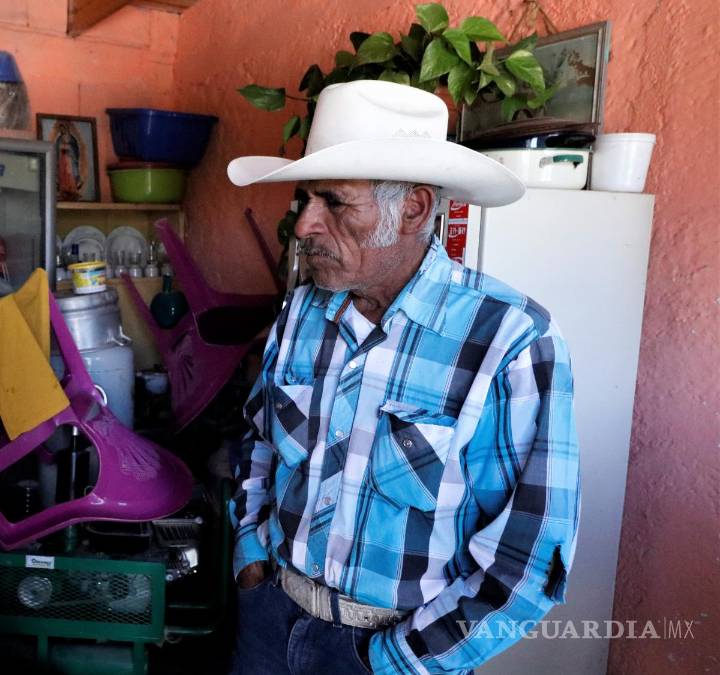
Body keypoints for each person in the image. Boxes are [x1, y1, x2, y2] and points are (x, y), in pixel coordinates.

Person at [225, 80, 580, 674]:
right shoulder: (303, 313)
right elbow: (260, 441)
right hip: (269, 619)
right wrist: (251, 555)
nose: (305, 224)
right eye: (304, 200)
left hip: (391, 652)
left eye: (334, 202)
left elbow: (530, 554)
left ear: (413, 208)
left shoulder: (509, 340)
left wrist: (398, 660)